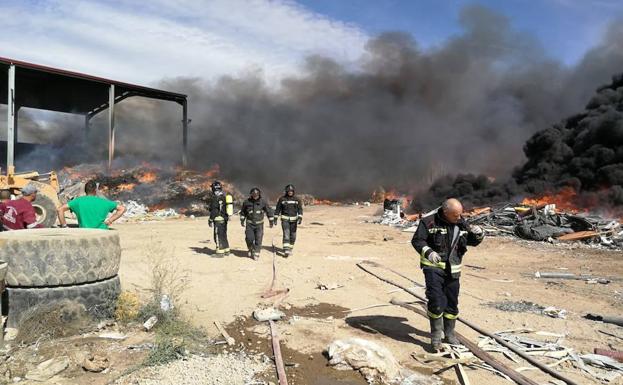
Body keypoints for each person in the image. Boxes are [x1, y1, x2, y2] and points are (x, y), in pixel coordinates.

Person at [411, 198, 484, 351]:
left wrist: (478, 235)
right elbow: (417, 240)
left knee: (452, 303)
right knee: (436, 301)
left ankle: (449, 334)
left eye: (460, 215)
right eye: (456, 215)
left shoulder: (461, 223)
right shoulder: (429, 222)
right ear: (445, 212)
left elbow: (471, 241)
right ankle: (436, 337)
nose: (459, 218)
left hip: (453, 270)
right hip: (434, 268)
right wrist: (428, 252)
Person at [57, 180, 126, 229]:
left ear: (85, 190)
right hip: (102, 233)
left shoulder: (78, 201)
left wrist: (64, 226)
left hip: (86, 233)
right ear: (95, 191)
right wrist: (109, 221)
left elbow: (60, 209)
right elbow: (122, 209)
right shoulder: (104, 202)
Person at [240, 187, 274, 260]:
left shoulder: (263, 202)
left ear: (259, 194)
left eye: (257, 195)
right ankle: (251, 248)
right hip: (249, 224)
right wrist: (242, 220)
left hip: (259, 225)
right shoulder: (246, 202)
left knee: (258, 239)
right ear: (251, 195)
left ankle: (256, 253)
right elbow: (243, 212)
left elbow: (268, 211)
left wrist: (271, 221)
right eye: (254, 195)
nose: (255, 197)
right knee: (249, 238)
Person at [274, 184, 303, 257]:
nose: (290, 192)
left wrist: (300, 217)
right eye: (289, 191)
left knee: (293, 236)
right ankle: (286, 250)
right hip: (285, 220)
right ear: (286, 191)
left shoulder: (297, 199)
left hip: (294, 221)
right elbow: (278, 209)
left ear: (293, 191)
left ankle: (290, 248)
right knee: (286, 234)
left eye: (291, 191)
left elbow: (300, 209)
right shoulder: (282, 199)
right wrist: (275, 218)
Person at [208, 180, 232, 256]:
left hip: (218, 220)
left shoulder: (215, 198)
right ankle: (226, 250)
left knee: (218, 235)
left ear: (214, 188)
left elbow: (214, 211)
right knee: (223, 235)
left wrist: (210, 220)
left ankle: (220, 252)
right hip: (224, 219)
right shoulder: (223, 197)